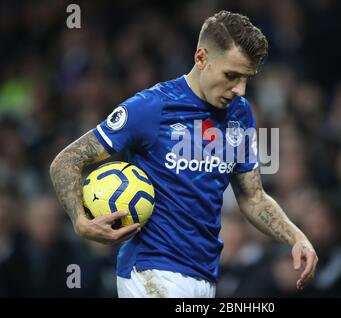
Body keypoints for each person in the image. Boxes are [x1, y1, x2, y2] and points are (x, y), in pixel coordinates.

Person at [50, 10, 318, 298]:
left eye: (246, 79)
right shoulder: (153, 106)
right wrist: (80, 221)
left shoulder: (240, 114)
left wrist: (296, 236)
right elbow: (67, 160)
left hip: (204, 276)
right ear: (201, 58)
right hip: (151, 270)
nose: (240, 89)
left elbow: (252, 197)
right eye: (232, 76)